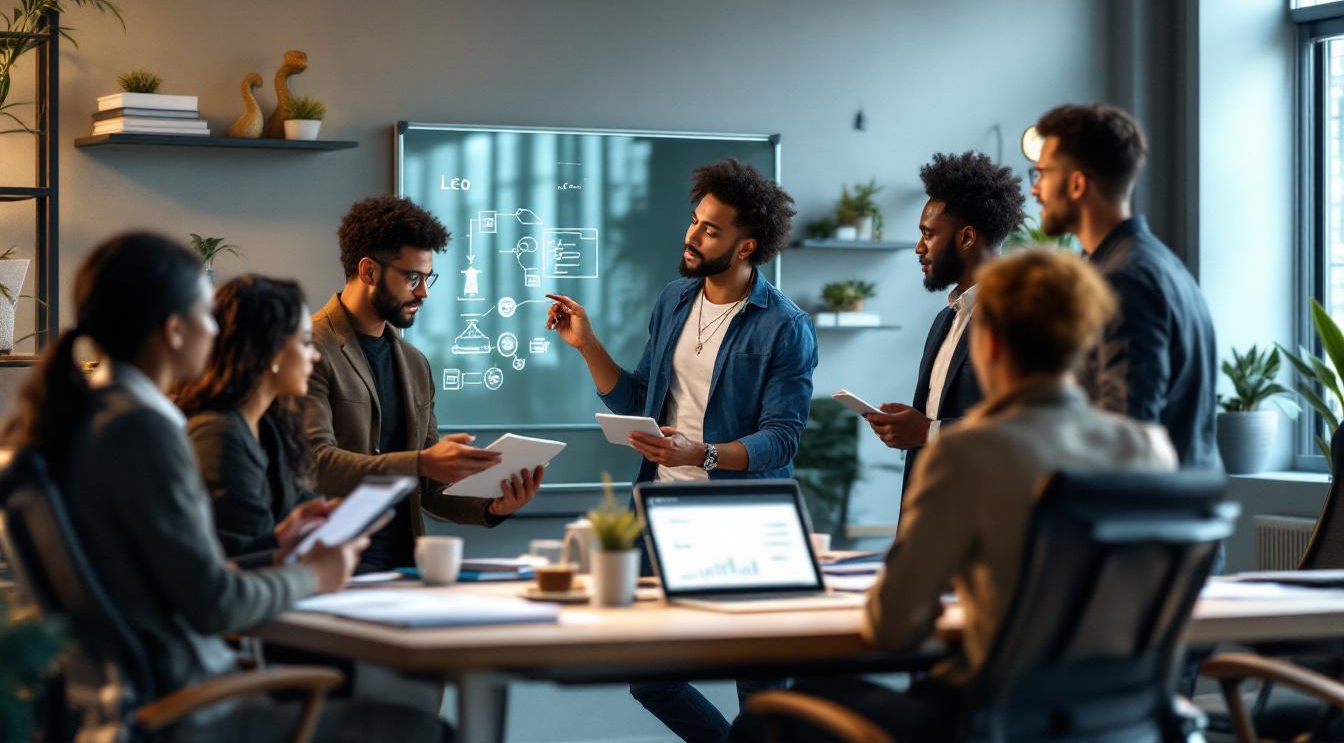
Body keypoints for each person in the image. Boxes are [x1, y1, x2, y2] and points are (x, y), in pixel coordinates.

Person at [4, 232, 450, 742]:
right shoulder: (145, 430)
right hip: (194, 712)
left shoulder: (96, 418)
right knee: (425, 730)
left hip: (148, 702)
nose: (217, 332)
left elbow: (178, 577)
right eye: (207, 316)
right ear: (175, 330)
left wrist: (278, 548)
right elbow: (214, 604)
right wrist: (314, 574)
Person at [731, 249, 1179, 742]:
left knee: (769, 717)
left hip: (989, 722)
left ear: (988, 343)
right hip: (1121, 722)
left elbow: (894, 627)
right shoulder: (1148, 448)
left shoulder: (970, 452)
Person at [547, 158, 816, 743]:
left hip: (745, 526)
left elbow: (782, 438)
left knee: (763, 696)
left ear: (747, 246)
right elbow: (640, 400)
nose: (692, 236)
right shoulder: (674, 300)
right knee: (647, 675)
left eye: (710, 230)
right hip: (662, 515)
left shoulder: (785, 327)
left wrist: (704, 453)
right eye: (695, 221)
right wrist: (587, 344)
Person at [305, 196, 542, 573]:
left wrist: (491, 506)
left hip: (404, 567)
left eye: (427, 278)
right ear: (368, 271)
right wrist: (421, 462)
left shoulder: (414, 363)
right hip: (327, 567)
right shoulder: (308, 348)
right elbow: (315, 464)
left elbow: (428, 485)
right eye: (412, 278)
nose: (423, 293)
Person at [1031, 103, 1218, 469]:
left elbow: (1126, 436)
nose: (1036, 189)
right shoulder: (1158, 263)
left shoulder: (1122, 280)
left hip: (1142, 518)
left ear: (1077, 183)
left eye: (1042, 174)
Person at [864, 151, 1025, 492]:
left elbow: (1024, 425)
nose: (919, 248)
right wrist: (915, 425)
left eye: (929, 234)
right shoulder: (945, 319)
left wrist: (927, 431)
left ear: (966, 238)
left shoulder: (1017, 314)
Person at [177, 275, 333, 569]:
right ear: (272, 350)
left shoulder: (272, 426)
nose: (316, 356)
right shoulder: (217, 435)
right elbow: (237, 554)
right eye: (306, 342)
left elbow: (297, 513)